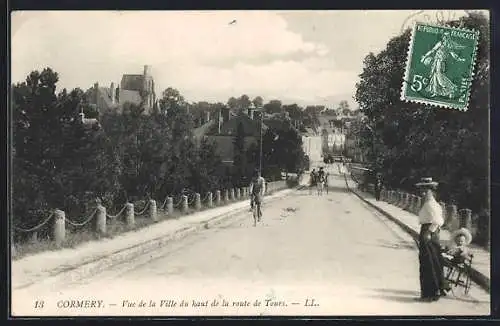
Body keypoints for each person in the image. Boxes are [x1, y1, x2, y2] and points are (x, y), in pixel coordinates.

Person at [416, 177, 448, 301]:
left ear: (430, 190)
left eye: (425, 189)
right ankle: (430, 292)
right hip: (427, 231)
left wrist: (429, 232)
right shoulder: (428, 203)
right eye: (421, 189)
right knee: (429, 262)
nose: (422, 192)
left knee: (428, 263)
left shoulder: (431, 204)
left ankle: (431, 294)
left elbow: (438, 221)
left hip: (429, 233)